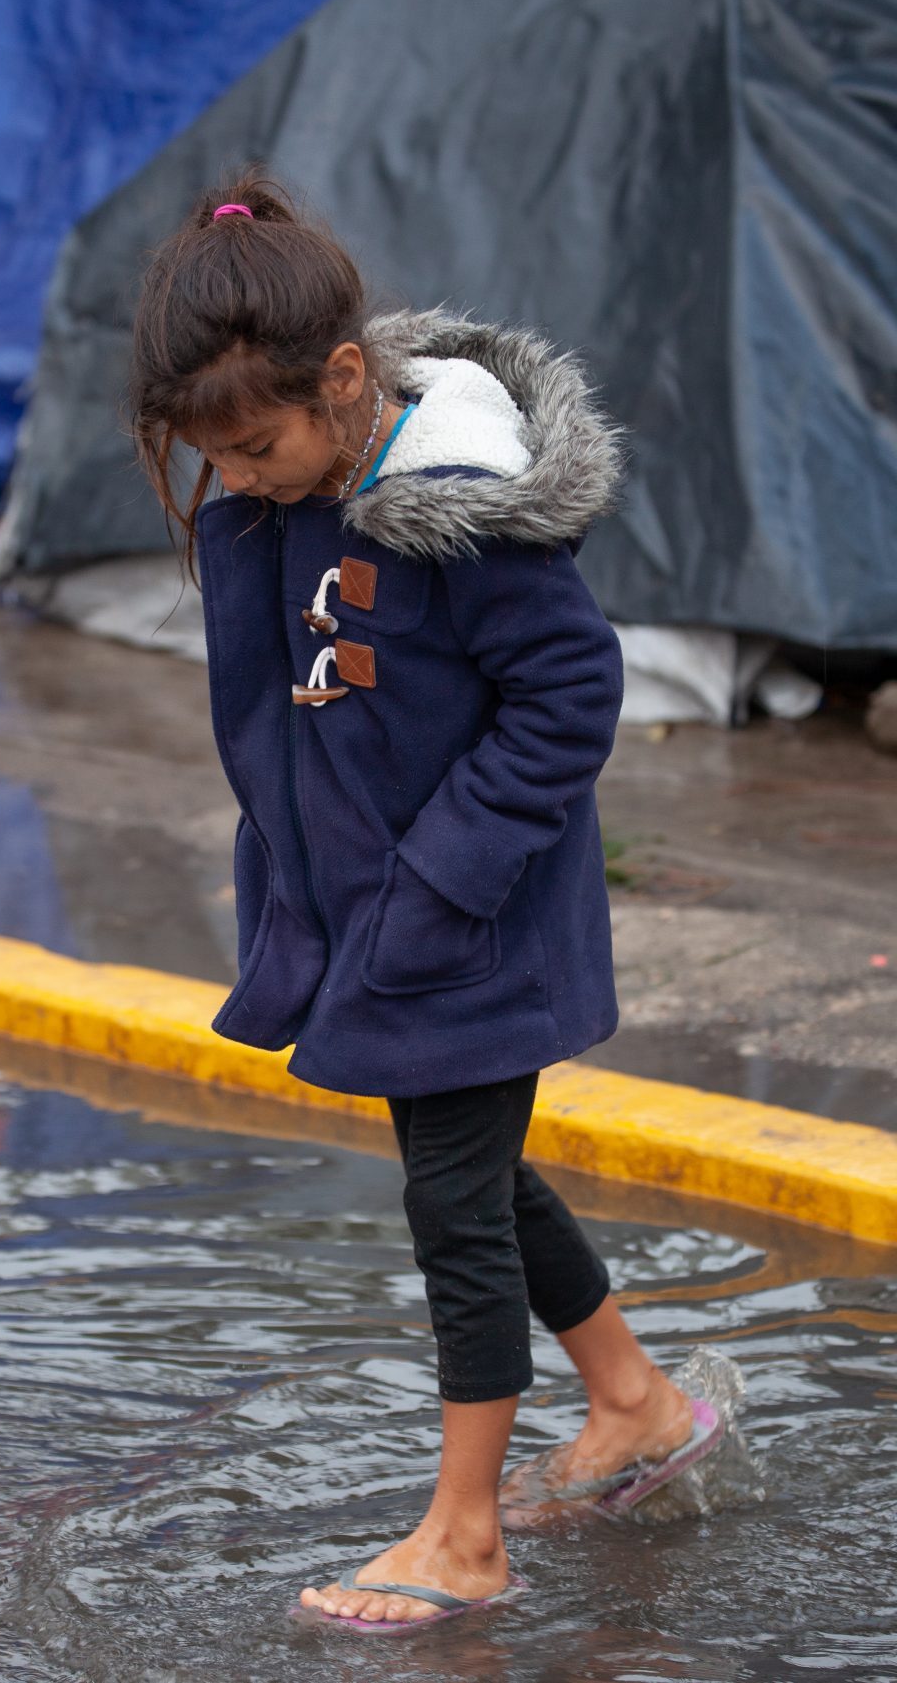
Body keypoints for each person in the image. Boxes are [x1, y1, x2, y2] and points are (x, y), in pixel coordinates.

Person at [129, 174, 723, 1634]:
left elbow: (572, 692)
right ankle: (635, 1404)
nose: (247, 478)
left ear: (344, 381)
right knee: (483, 1174)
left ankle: (464, 1535)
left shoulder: (453, 514)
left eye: (261, 447)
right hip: (374, 916)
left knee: (452, 1204)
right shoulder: (291, 490)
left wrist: (442, 878)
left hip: (467, 915)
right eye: (220, 458)